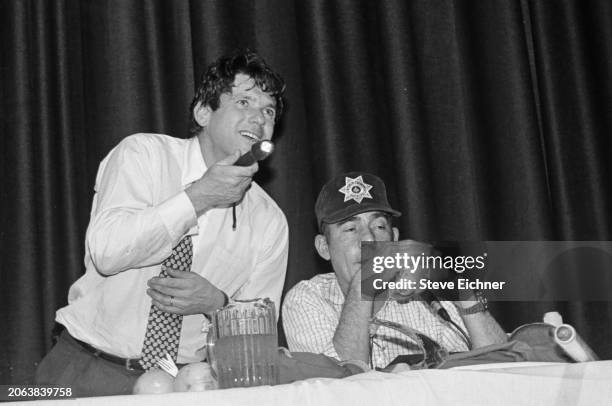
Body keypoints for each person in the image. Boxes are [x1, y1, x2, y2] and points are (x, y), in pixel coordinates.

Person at [35, 51, 289, 396]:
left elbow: (257, 342)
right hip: (87, 369)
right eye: (244, 101)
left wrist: (217, 304)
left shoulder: (268, 219)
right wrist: (199, 197)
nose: (259, 119)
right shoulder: (142, 155)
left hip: (184, 384)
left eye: (268, 110)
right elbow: (107, 252)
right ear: (203, 111)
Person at [282, 172, 506, 369]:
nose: (369, 238)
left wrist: (461, 291)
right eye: (351, 229)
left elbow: (500, 365)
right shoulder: (307, 299)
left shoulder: (427, 293)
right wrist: (364, 282)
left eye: (379, 227)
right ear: (324, 247)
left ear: (395, 238)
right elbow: (341, 382)